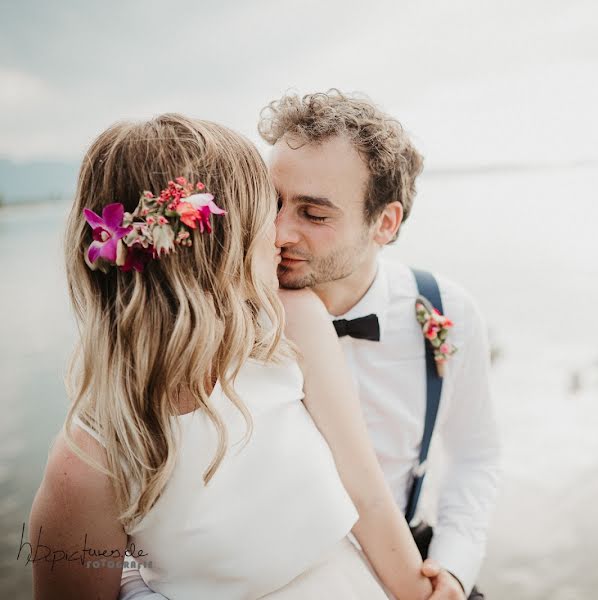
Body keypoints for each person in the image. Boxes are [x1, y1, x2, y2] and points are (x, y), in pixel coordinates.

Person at [27, 114, 433, 600]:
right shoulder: (89, 458)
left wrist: (423, 592)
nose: (280, 235)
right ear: (219, 245)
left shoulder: (292, 325)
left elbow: (368, 493)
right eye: (269, 211)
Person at [261, 90, 501, 600]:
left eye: (314, 214)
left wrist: (454, 565)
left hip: (410, 563)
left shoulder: (447, 311)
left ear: (385, 223)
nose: (279, 231)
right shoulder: (228, 319)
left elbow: (475, 456)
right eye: (272, 202)